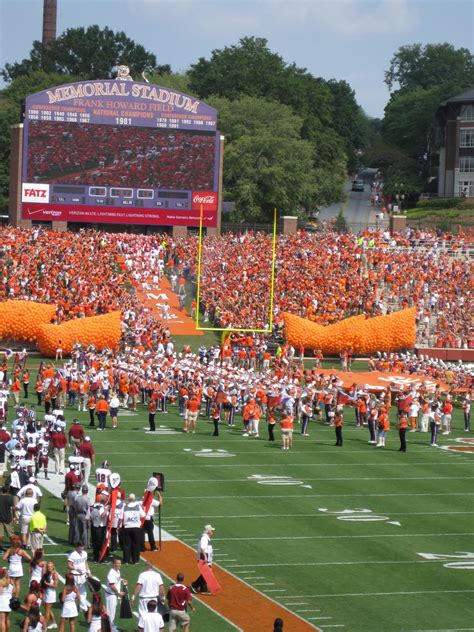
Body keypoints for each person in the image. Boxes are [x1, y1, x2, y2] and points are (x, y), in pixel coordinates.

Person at [121, 494, 145, 565]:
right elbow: (143, 515)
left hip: (127, 527)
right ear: (134, 499)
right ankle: (135, 560)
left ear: (129, 499)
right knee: (136, 544)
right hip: (136, 528)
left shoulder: (124, 507)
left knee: (127, 545)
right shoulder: (138, 507)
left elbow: (121, 518)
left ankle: (126, 560)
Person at [191, 524, 214, 594]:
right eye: (211, 530)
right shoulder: (204, 538)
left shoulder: (205, 537)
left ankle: (203, 589)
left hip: (205, 558)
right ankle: (194, 585)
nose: (212, 531)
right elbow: (203, 548)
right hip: (204, 558)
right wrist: (205, 558)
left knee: (206, 573)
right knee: (207, 573)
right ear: (208, 531)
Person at [67, 542, 90, 612]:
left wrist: (88, 571)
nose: (82, 549)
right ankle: (70, 604)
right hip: (75, 576)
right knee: (74, 592)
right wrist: (75, 568)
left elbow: (86, 563)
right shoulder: (72, 555)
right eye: (80, 547)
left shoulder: (85, 553)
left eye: (82, 547)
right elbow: (69, 565)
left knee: (83, 592)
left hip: (83, 575)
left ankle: (82, 607)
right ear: (77, 547)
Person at [105, 558, 126, 632]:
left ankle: (111, 626)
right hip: (111, 595)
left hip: (113, 595)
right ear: (114, 564)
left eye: (120, 563)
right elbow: (112, 586)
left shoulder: (117, 571)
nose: (120, 565)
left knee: (112, 612)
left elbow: (117, 579)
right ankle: (110, 629)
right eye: (118, 563)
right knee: (111, 613)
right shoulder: (111, 573)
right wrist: (118, 593)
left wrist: (122, 580)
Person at [42, 560, 59, 629]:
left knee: (47, 611)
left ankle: (45, 626)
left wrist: (47, 584)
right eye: (48, 567)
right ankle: (54, 623)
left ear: (53, 567)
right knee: (47, 609)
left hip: (51, 594)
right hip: (47, 593)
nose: (49, 568)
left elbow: (55, 586)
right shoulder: (47, 574)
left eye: (50, 567)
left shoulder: (55, 574)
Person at [0, 485, 16, 551]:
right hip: (8, 518)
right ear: (8, 490)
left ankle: (0, 547)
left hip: (0, 518)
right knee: (11, 534)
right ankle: (13, 546)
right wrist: (14, 516)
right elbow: (13, 508)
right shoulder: (10, 498)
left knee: (0, 534)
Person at [0, 567, 14, 631]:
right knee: (7, 619)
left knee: (2, 621)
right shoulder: (10, 581)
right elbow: (14, 591)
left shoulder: (0, 582)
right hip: (9, 603)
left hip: (2, 603)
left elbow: (0, 593)